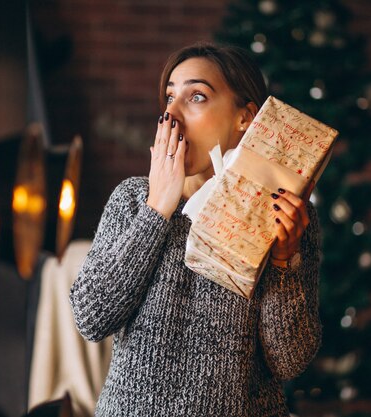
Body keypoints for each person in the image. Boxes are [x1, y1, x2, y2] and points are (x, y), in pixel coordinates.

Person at [70, 42, 321, 417]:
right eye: (169, 97)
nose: (172, 113)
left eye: (197, 97)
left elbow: (290, 361)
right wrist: (157, 210)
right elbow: (91, 317)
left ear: (245, 118)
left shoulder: (283, 213)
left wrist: (284, 262)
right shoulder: (133, 200)